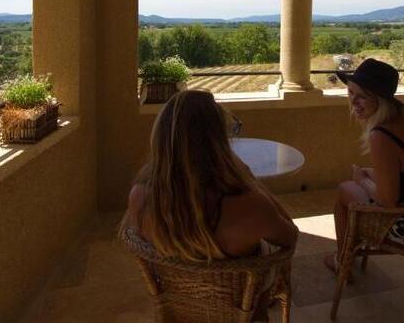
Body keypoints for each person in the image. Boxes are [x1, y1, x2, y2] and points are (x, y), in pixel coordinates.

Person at [121, 90, 298, 317]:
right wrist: (249, 179)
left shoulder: (141, 197)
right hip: (238, 306)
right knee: (265, 260)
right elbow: (289, 237)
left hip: (178, 304)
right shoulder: (249, 207)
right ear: (219, 140)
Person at [324, 58, 404, 277]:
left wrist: (361, 180)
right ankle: (348, 253)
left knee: (345, 190)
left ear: (380, 99)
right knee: (355, 186)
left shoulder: (381, 136)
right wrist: (371, 173)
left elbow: (388, 201)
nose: (354, 102)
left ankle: (343, 262)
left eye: (362, 96)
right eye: (350, 94)